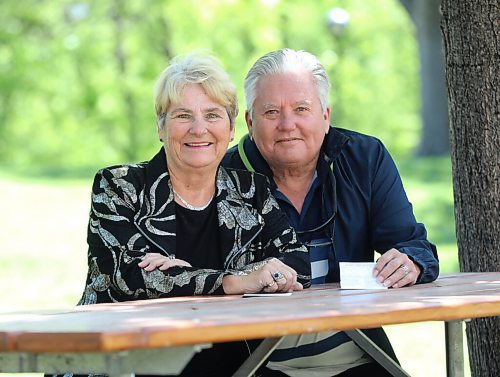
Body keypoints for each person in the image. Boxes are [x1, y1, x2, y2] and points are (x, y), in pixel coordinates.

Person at [77, 53, 311, 376]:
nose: (199, 129)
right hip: (122, 365)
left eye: (213, 115)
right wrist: (234, 280)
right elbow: (128, 277)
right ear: (161, 127)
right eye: (183, 115)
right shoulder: (118, 187)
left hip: (235, 367)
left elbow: (296, 263)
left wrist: (186, 275)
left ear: (231, 129)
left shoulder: (251, 190)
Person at [222, 48, 439, 376]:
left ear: (325, 116)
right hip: (252, 364)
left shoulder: (365, 158)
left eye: (301, 109)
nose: (287, 124)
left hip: (359, 355)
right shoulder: (221, 175)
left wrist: (409, 262)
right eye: (271, 112)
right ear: (250, 122)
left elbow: (416, 247)